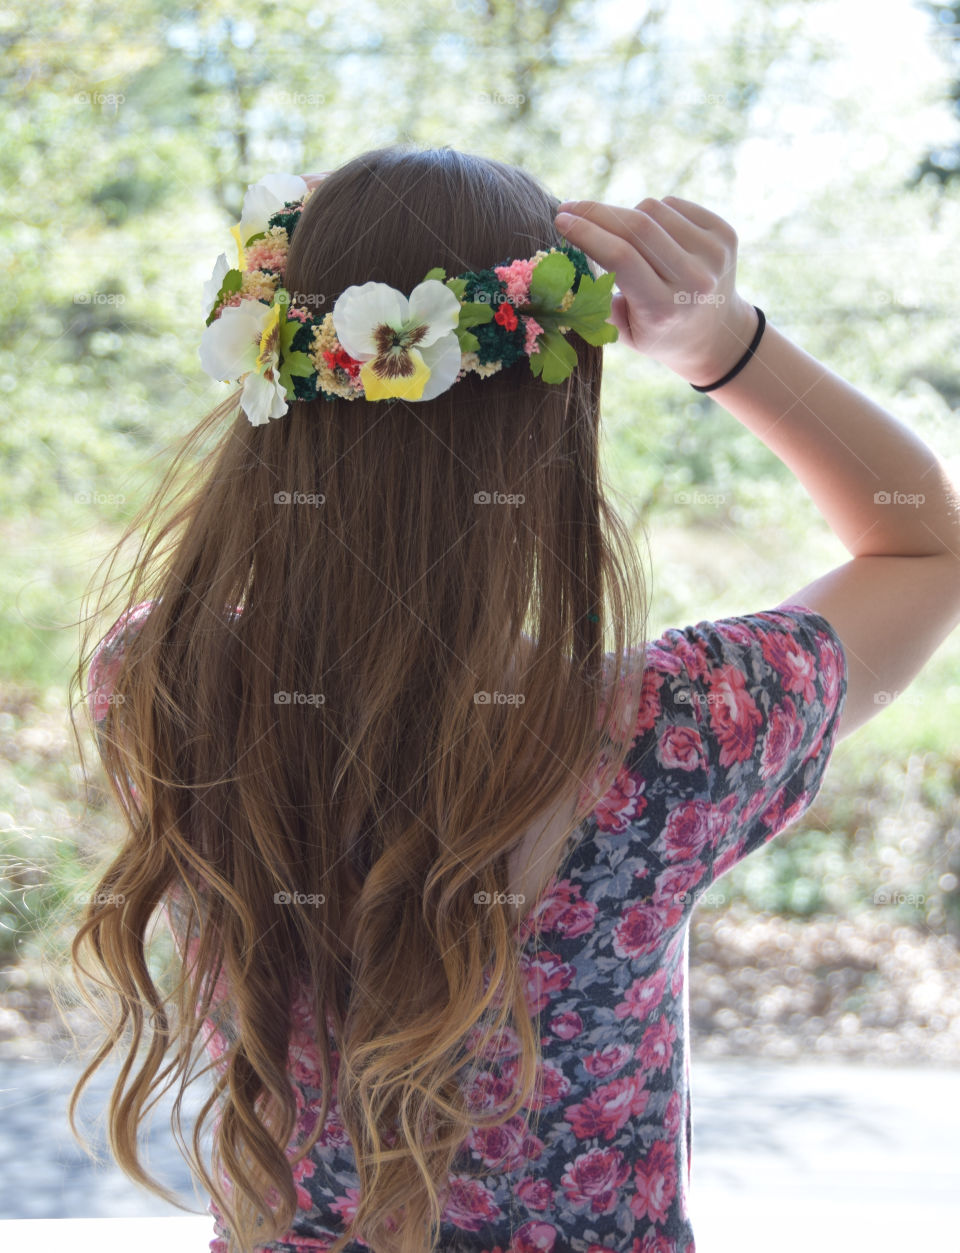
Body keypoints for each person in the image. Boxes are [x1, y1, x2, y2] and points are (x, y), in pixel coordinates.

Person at [69, 145, 960, 1253]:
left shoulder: (156, 682)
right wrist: (725, 346)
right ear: (557, 425)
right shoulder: (677, 734)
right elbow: (924, 543)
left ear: (272, 387)